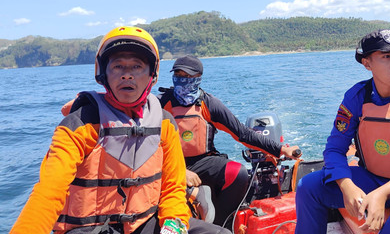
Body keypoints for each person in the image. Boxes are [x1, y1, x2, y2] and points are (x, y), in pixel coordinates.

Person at [10, 26, 229, 234]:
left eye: (137, 66)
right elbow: (48, 192)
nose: (127, 74)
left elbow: (172, 190)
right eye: (117, 66)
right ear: (103, 72)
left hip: (144, 224)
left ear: (152, 74)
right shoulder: (81, 125)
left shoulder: (164, 124)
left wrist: (174, 227)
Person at [295, 29, 390, 234]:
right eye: (386, 56)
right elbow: (335, 148)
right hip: (371, 177)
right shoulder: (356, 97)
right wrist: (347, 186)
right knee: (308, 187)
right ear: (367, 63)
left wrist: (383, 193)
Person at [156, 54, 301, 227]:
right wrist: (179, 171)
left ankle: (220, 225)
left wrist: (281, 149)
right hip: (168, 164)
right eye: (179, 76)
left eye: (188, 77)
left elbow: (243, 134)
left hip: (203, 161)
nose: (183, 81)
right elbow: (144, 148)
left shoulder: (209, 104)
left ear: (198, 78)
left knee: (237, 173)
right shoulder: (159, 105)